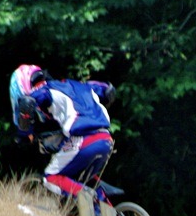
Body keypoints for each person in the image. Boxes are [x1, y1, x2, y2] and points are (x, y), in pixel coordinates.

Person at [9, 64, 118, 199]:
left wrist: (25, 135)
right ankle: (109, 214)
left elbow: (27, 103)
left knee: (51, 177)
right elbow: (108, 90)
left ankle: (89, 198)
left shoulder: (44, 90)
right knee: (84, 179)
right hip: (105, 138)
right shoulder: (80, 85)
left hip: (83, 139)